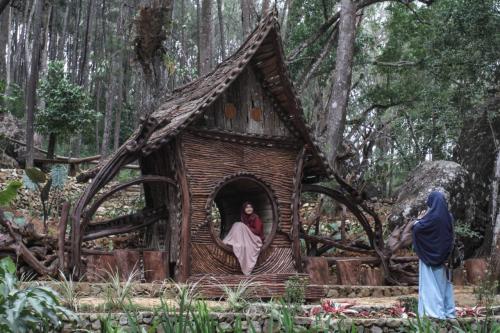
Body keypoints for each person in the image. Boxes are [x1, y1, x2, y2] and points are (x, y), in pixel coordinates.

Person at [412, 191, 456, 319]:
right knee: (444, 285)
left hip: (428, 257)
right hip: (444, 258)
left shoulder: (431, 218)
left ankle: (434, 313)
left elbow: (417, 229)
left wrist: (418, 220)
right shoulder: (449, 217)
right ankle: (448, 311)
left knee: (430, 284)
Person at [222, 202, 265, 275]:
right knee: (237, 224)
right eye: (247, 207)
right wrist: (245, 228)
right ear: (244, 209)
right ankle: (234, 241)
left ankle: (232, 240)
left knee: (239, 225)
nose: (249, 209)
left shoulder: (256, 218)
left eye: (250, 207)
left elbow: (257, 231)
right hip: (248, 237)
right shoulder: (244, 218)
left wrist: (246, 228)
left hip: (255, 239)